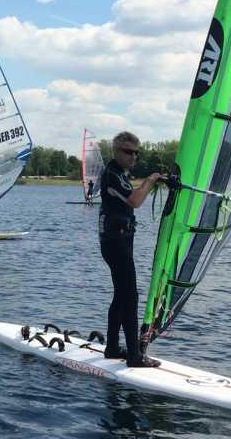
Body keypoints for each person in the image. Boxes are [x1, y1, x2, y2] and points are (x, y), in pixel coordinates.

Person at [99, 131, 162, 368]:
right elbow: (135, 200)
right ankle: (134, 355)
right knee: (130, 296)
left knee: (121, 294)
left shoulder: (121, 174)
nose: (133, 156)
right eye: (128, 152)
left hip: (121, 240)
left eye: (136, 153)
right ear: (116, 151)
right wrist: (150, 181)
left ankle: (112, 347)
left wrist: (154, 182)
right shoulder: (112, 175)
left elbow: (133, 195)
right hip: (115, 243)